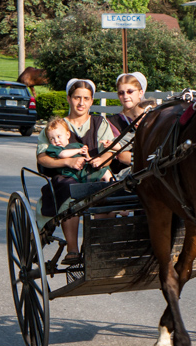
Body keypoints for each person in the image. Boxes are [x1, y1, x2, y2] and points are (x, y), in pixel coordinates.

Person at [36, 78, 118, 262]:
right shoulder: (56, 126)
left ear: (91, 100)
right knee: (70, 191)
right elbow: (42, 158)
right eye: (76, 97)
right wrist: (67, 163)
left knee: (107, 192)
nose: (81, 103)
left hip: (93, 173)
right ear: (68, 98)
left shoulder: (99, 123)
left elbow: (111, 151)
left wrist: (102, 160)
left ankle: (94, 245)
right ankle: (72, 249)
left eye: (86, 98)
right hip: (67, 176)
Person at [44, 117, 113, 183]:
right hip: (70, 174)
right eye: (52, 139)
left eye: (59, 136)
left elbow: (87, 157)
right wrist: (78, 150)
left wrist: (88, 157)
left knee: (105, 170)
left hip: (84, 169)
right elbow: (63, 154)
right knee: (70, 183)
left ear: (67, 135)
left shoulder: (76, 145)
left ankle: (111, 187)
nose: (56, 140)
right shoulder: (54, 148)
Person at [106, 72, 151, 172]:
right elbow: (121, 156)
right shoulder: (112, 122)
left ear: (140, 92)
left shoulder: (150, 116)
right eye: (121, 93)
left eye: (130, 91)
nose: (125, 96)